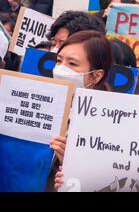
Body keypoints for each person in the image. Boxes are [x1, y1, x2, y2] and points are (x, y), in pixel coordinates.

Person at [49, 30, 112, 191]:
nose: (61, 69)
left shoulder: (107, 125)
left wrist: (69, 165)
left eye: (72, 64)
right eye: (59, 60)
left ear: (96, 76)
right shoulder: (48, 103)